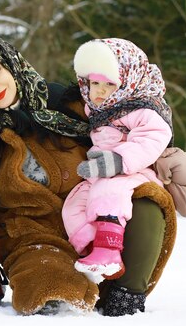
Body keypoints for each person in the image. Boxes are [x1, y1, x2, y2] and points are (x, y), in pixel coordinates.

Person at [0, 36, 177, 316]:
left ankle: (126, 294)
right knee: (51, 289)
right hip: (33, 239)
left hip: (96, 218)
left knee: (147, 199)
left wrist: (172, 158)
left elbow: (128, 131)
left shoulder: (70, 104)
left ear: (11, 64)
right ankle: (58, 309)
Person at [61, 38, 173, 284]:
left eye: (109, 84)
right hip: (101, 172)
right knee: (75, 202)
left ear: (126, 81)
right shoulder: (96, 109)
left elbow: (153, 137)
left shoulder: (141, 107)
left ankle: (109, 250)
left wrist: (119, 161)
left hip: (132, 171)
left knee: (108, 192)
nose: (99, 90)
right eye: (94, 83)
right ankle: (91, 247)